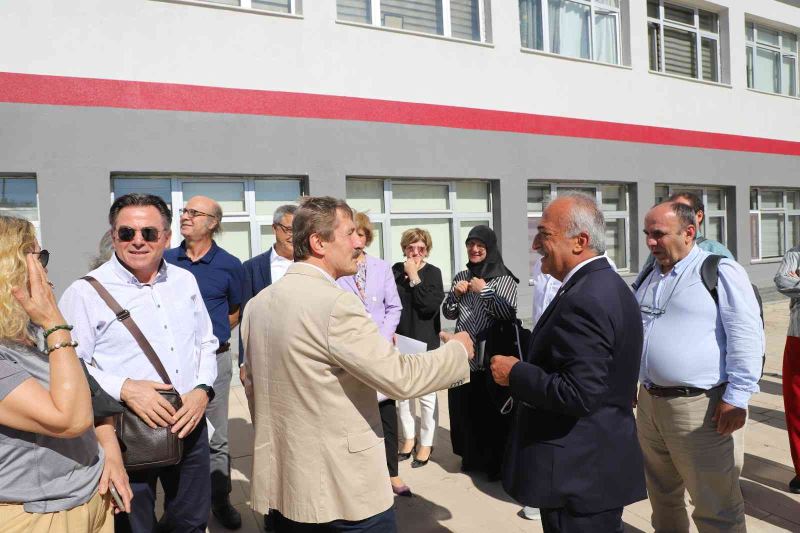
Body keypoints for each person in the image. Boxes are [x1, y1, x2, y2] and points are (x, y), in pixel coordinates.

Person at [241, 196, 474, 532]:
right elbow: (399, 377)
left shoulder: (258, 305)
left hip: (285, 489)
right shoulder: (337, 305)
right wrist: (458, 351)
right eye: (349, 233)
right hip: (343, 495)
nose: (358, 242)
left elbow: (252, 390)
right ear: (318, 242)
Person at [60, 193, 219, 533]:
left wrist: (202, 390)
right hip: (128, 432)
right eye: (126, 232)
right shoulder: (84, 292)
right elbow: (68, 366)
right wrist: (125, 388)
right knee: (135, 526)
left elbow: (206, 342)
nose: (137, 241)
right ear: (113, 235)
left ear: (166, 237)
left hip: (189, 423)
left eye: (148, 233)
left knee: (191, 522)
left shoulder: (184, 281)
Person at [489, 192, 646, 532]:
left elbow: (578, 393)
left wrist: (515, 373)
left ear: (580, 242)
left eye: (544, 234)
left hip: (579, 475)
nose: (535, 245)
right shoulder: (602, 284)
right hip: (592, 468)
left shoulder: (585, 298)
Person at [634, 201, 763, 532]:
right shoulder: (650, 273)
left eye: (658, 234)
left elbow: (746, 336)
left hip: (700, 409)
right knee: (662, 497)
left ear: (689, 232)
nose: (650, 242)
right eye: (647, 233)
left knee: (715, 507)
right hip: (650, 403)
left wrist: (737, 397)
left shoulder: (720, 271)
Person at [0, 215, 131, 531]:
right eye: (39, 257)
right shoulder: (47, 330)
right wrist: (55, 323)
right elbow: (70, 420)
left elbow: (92, 397)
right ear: (11, 268)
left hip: (93, 495)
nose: (45, 269)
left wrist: (111, 453)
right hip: (38, 515)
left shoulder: (33, 331)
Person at [164, 195, 245, 529]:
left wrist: (210, 339)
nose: (185, 216)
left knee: (216, 438)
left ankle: (220, 501)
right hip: (172, 364)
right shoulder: (166, 260)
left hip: (216, 361)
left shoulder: (230, 264)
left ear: (213, 223)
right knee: (171, 434)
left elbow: (235, 311)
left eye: (194, 212)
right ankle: (177, 506)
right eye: (184, 211)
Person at [337, 212, 407, 495]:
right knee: (355, 415)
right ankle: (360, 475)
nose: (358, 239)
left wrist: (381, 338)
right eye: (353, 233)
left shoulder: (381, 267)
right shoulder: (339, 268)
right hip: (351, 351)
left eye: (362, 234)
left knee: (386, 414)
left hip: (380, 349)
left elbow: (394, 307)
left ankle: (392, 474)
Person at [442, 224, 518, 479]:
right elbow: (448, 313)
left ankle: (494, 464)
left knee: (490, 411)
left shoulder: (504, 278)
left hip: (490, 355)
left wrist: (483, 290)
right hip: (464, 357)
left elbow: (507, 313)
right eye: (470, 245)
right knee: (465, 409)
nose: (474, 249)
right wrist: (455, 294)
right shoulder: (461, 275)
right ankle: (471, 457)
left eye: (480, 245)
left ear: (490, 248)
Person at [238, 203, 296, 531]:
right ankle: (273, 507)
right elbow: (246, 319)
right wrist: (244, 363)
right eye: (288, 229)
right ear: (275, 229)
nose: (293, 236)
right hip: (263, 368)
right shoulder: (252, 269)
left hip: (302, 368)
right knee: (269, 439)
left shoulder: (313, 265)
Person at [393, 228, 444, 469]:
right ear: (404, 248)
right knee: (403, 395)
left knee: (426, 396)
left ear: (427, 250)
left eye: (421, 248)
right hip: (400, 340)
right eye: (411, 247)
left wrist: (414, 277)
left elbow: (428, 306)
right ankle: (408, 438)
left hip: (425, 342)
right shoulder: (395, 271)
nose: (415, 252)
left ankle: (426, 442)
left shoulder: (433, 273)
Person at [633, 191, 734, 288]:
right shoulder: (659, 251)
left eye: (683, 209)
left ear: (699, 216)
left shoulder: (716, 252)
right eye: (673, 209)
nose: (651, 242)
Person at [774, 242, 800, 493]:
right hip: (798, 338)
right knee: (796, 405)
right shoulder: (795, 253)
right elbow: (782, 281)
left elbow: (790, 283)